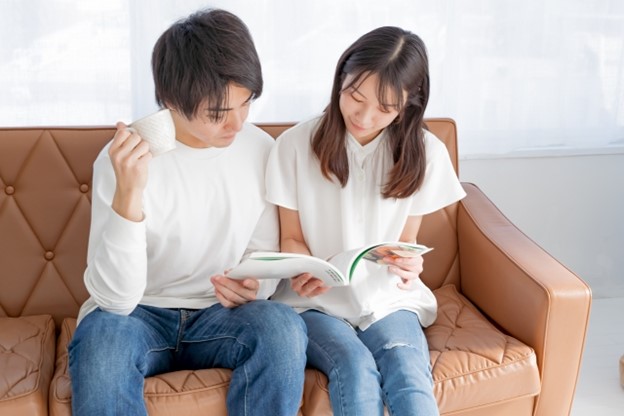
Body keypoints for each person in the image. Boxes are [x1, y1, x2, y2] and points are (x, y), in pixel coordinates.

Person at [68, 9, 307, 416]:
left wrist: (254, 287)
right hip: (136, 314)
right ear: (172, 102)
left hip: (220, 316)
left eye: (246, 103)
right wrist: (130, 193)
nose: (236, 124)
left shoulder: (262, 150)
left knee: (282, 327)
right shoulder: (123, 160)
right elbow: (115, 299)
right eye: (218, 113)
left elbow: (261, 257)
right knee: (101, 343)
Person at [265, 26, 466, 415]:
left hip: (388, 299)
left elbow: (406, 243)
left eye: (386, 108)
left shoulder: (426, 152)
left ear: (409, 104)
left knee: (408, 372)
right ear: (341, 78)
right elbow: (290, 237)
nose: (365, 115)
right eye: (356, 96)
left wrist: (411, 261)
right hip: (316, 303)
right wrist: (304, 270)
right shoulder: (293, 145)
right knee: (354, 370)